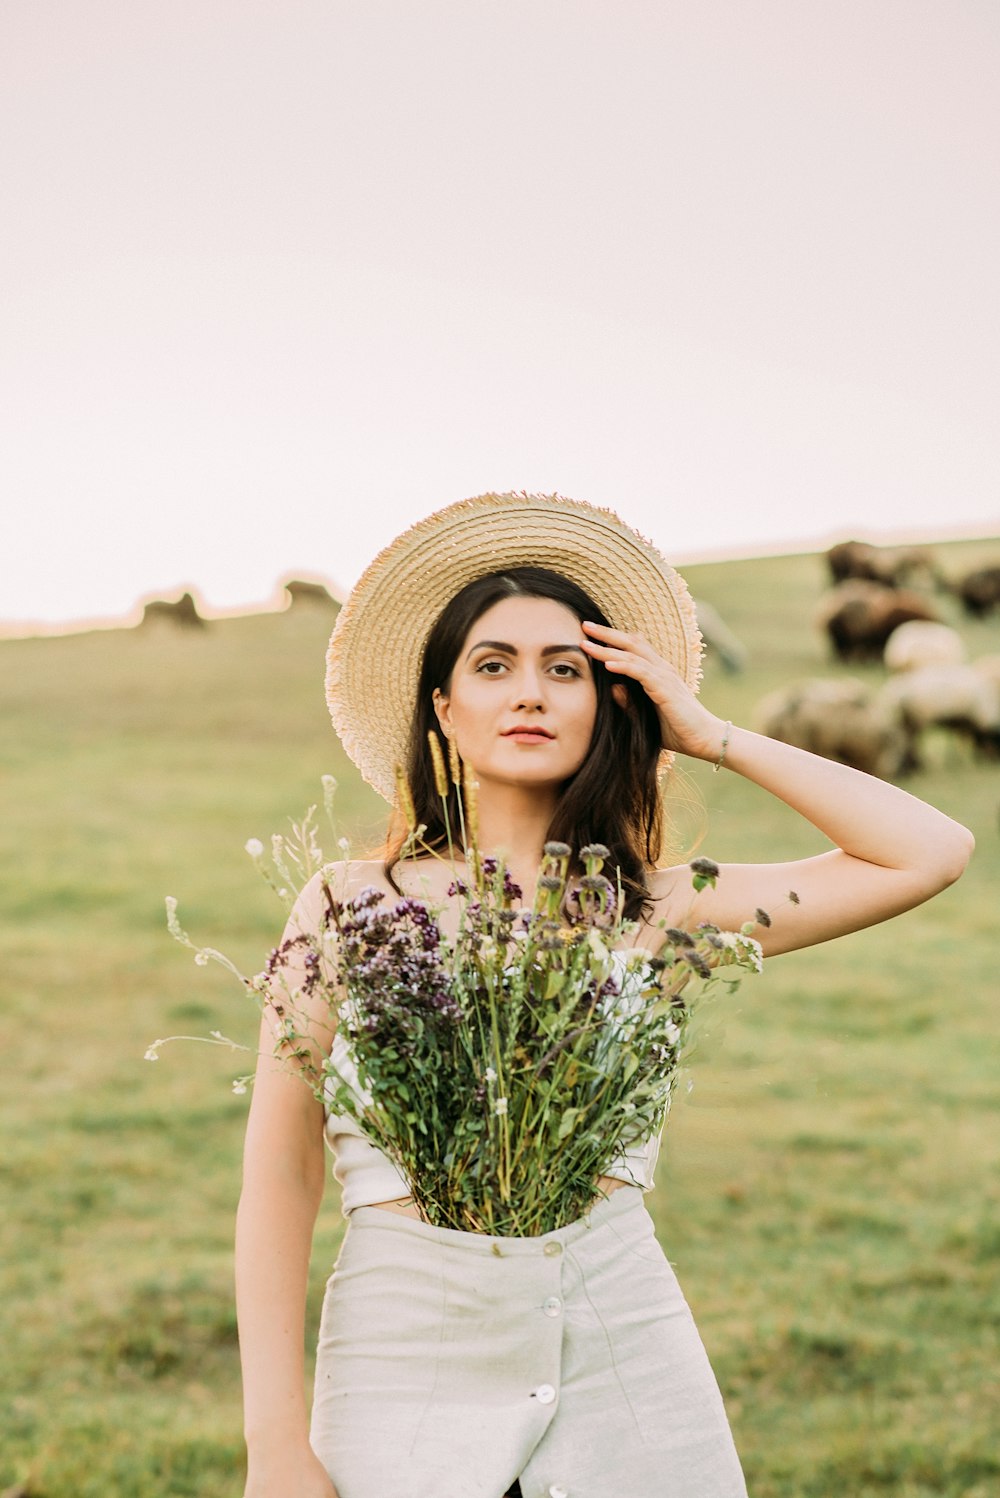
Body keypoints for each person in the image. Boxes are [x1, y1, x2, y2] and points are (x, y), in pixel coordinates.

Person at [235, 493, 973, 1498]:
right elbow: (280, 1176)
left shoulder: (662, 906)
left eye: (565, 668)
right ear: (442, 709)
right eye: (492, 666)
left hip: (623, 1351)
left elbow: (931, 852)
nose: (529, 692)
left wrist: (712, 733)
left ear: (609, 699)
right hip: (403, 1357)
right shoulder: (346, 904)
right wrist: (275, 1445)